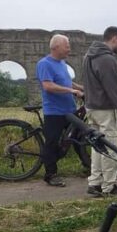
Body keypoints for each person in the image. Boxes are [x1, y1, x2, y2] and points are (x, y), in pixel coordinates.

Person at [82, 26, 117, 197]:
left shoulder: (88, 56)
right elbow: (114, 89)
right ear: (115, 38)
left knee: (97, 147)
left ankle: (95, 183)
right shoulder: (107, 60)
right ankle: (109, 187)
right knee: (110, 148)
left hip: (91, 107)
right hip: (105, 109)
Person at [35, 34, 84, 187]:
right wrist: (71, 91)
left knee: (79, 137)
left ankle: (88, 165)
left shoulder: (62, 63)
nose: (69, 49)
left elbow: (67, 82)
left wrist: (81, 88)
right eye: (67, 46)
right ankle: (50, 174)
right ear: (56, 47)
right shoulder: (44, 64)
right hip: (54, 111)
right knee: (51, 142)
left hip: (69, 109)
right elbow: (48, 86)